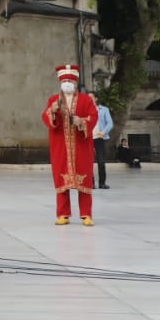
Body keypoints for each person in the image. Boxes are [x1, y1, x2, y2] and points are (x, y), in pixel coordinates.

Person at [41, 65, 98, 226]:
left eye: (69, 80)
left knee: (84, 180)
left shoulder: (86, 100)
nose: (67, 82)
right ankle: (63, 214)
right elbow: (46, 118)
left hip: (81, 146)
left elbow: (93, 116)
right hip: (61, 146)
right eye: (64, 80)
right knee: (61, 180)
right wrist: (52, 111)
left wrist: (82, 121)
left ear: (75, 82)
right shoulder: (54, 100)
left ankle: (86, 214)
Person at [93, 99, 114, 190]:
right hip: (88, 138)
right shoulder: (85, 109)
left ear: (96, 98)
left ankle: (102, 183)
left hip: (99, 137)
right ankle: (91, 183)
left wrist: (104, 132)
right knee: (88, 162)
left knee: (101, 161)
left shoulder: (104, 109)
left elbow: (110, 123)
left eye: (91, 97)